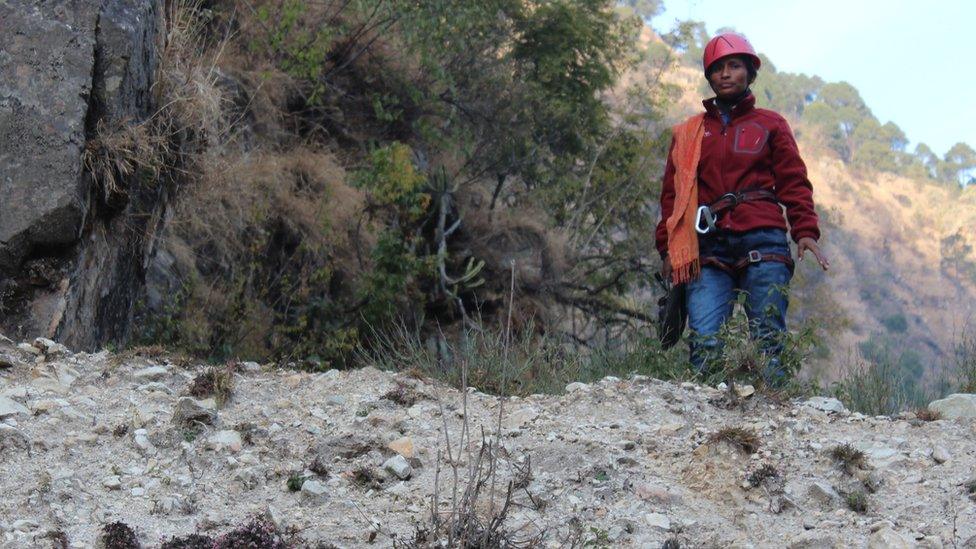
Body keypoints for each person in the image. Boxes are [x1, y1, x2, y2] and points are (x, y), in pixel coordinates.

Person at [654, 32, 830, 387]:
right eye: (717, 68)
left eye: (734, 66)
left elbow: (794, 181)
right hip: (708, 247)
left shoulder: (771, 124)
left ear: (749, 72)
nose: (725, 74)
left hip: (763, 241)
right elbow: (672, 195)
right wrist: (667, 248)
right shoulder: (690, 132)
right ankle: (705, 422)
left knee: (768, 337)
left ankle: (775, 422)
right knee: (704, 340)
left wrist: (805, 231)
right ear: (709, 76)